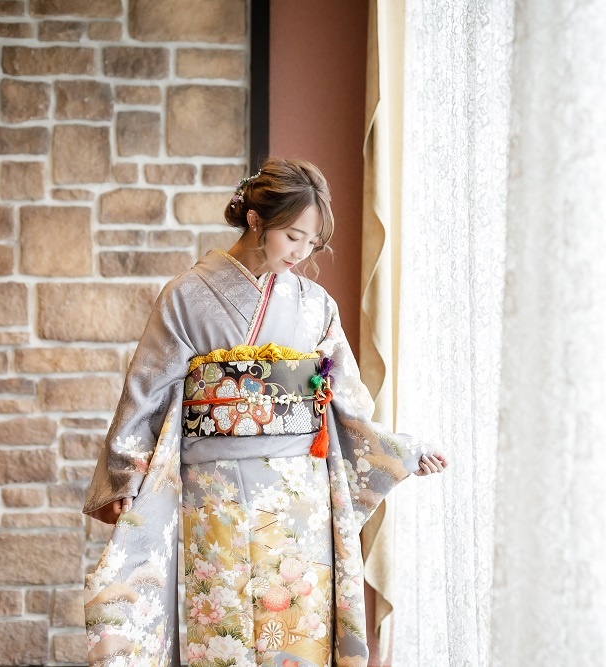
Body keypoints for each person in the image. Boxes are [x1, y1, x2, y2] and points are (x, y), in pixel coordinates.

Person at [81, 157, 447, 667]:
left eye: (311, 243)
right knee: (222, 626)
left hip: (298, 494)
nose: (301, 252)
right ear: (256, 219)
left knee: (295, 626)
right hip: (215, 490)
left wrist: (400, 450)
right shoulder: (186, 296)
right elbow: (147, 389)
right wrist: (125, 473)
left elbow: (347, 399)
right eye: (293, 236)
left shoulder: (316, 305)